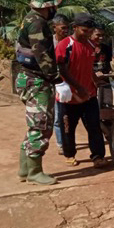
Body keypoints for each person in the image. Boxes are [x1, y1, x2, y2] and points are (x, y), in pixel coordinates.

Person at [15, 0, 65, 185]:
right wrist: (57, 80)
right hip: (36, 80)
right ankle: (34, 172)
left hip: (28, 78)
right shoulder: (37, 23)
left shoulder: (29, 18)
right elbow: (42, 56)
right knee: (40, 124)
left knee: (34, 124)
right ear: (48, 5)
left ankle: (24, 170)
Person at [55, 13, 107, 168]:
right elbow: (62, 70)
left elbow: (88, 67)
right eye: (84, 31)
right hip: (69, 96)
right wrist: (78, 88)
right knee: (68, 128)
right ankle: (69, 154)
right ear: (75, 28)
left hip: (89, 95)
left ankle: (98, 156)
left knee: (94, 126)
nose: (88, 34)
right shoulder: (65, 45)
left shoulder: (91, 46)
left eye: (90, 31)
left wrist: (95, 82)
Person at [50, 14, 71, 155]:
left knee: (69, 115)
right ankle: (60, 143)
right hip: (54, 82)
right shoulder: (48, 44)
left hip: (68, 82)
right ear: (54, 28)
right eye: (63, 28)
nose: (66, 31)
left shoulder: (70, 43)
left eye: (67, 28)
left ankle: (69, 140)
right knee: (58, 116)